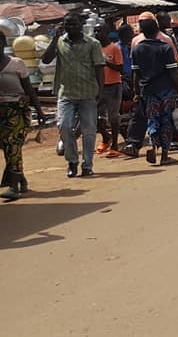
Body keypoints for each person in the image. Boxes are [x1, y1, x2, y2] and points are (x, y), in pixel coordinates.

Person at [41, 12, 105, 178]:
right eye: (67, 24)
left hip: (88, 92)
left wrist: (101, 91)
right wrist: (55, 38)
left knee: (89, 130)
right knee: (64, 126)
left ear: (81, 25)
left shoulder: (93, 44)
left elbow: (99, 67)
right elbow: (46, 60)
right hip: (66, 93)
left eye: (73, 24)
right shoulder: (60, 42)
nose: (70, 27)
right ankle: (72, 161)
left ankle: (87, 165)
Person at [132, 17, 178, 165]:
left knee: (152, 119)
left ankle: (152, 144)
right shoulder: (165, 48)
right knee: (165, 121)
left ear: (142, 32)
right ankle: (164, 155)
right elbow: (173, 74)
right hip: (165, 90)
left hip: (147, 90)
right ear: (157, 30)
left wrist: (137, 92)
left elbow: (135, 74)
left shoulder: (137, 49)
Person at [0, 31, 44, 200]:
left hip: (17, 111)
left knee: (12, 146)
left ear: (3, 44)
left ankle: (13, 187)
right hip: (1, 112)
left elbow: (29, 89)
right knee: (7, 148)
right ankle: (21, 179)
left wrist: (39, 111)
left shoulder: (16, 64)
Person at [95, 24, 125, 158]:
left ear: (107, 32)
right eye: (95, 31)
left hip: (113, 85)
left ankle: (115, 145)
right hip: (98, 87)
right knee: (95, 116)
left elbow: (120, 68)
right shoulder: (94, 49)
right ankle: (106, 138)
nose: (97, 34)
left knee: (113, 116)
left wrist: (105, 62)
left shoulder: (114, 48)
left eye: (99, 31)